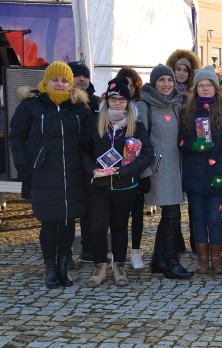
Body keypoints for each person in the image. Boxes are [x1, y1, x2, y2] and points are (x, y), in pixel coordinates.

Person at [9, 61, 92, 289]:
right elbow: (16, 136)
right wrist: (24, 166)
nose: (59, 84)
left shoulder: (79, 109)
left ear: (70, 83)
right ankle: (49, 267)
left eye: (64, 80)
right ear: (46, 81)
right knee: (48, 222)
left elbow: (89, 141)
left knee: (67, 221)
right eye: (55, 79)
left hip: (72, 175)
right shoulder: (31, 106)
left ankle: (64, 264)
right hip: (43, 173)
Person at [83, 77, 154, 287]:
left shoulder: (136, 125)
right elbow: (85, 151)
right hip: (98, 185)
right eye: (114, 99)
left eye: (122, 100)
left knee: (120, 227)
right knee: (96, 228)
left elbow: (147, 154)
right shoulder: (94, 122)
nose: (117, 103)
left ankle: (119, 266)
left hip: (125, 185)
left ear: (128, 102)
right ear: (107, 100)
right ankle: (99, 266)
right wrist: (92, 169)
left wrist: (126, 171)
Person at [178, 65, 222, 275]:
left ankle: (216, 258)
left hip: (217, 175)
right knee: (198, 218)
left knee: (214, 218)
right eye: (201, 85)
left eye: (208, 85)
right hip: (195, 173)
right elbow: (181, 141)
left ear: (215, 87)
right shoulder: (188, 111)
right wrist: (191, 145)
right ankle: (202, 258)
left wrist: (221, 173)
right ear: (195, 88)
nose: (205, 89)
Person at [137, 64, 193, 280]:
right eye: (162, 80)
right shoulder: (144, 107)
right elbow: (138, 142)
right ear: (154, 83)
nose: (167, 84)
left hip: (175, 168)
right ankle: (170, 261)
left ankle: (159, 260)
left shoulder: (175, 106)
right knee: (172, 214)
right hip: (157, 169)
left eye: (169, 80)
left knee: (169, 215)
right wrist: (145, 173)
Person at [68, 61, 100, 265]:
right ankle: (66, 251)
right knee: (69, 210)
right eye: (77, 75)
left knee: (91, 210)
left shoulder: (96, 103)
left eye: (84, 76)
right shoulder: (64, 102)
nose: (81, 79)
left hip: (90, 163)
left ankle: (89, 249)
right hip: (69, 162)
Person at [115, 66, 146, 269]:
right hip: (114, 170)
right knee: (118, 216)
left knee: (137, 213)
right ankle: (117, 254)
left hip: (137, 168)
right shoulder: (107, 106)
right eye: (125, 84)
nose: (129, 88)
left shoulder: (141, 107)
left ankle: (136, 251)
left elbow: (147, 140)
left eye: (132, 84)